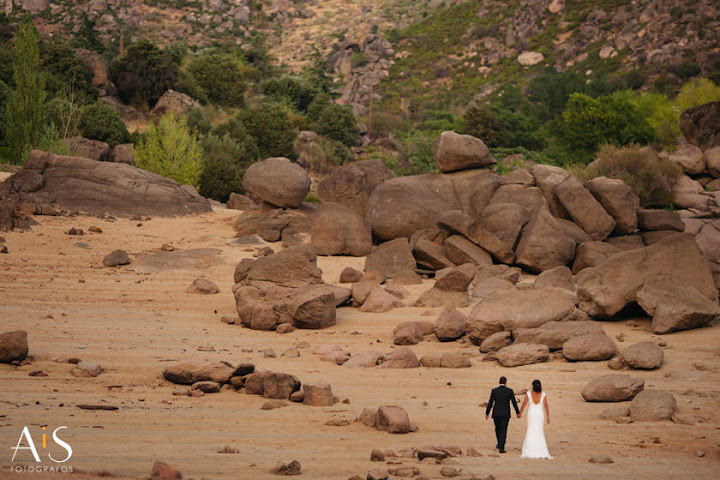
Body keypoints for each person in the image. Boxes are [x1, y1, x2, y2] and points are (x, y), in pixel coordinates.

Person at [519, 379, 553, 459]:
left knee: (531, 429)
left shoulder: (528, 394)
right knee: (539, 430)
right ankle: (541, 449)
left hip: (531, 413)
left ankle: (530, 448)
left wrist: (520, 412)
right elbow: (546, 406)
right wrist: (548, 416)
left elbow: (524, 403)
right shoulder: (543, 395)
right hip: (539, 414)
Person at [485, 376, 520, 453]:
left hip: (496, 413)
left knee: (497, 428)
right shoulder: (509, 391)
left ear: (499, 382)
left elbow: (490, 402)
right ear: (506, 382)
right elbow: (514, 402)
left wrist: (487, 413)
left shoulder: (494, 391)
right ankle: (501, 446)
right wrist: (517, 412)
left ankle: (499, 444)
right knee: (504, 429)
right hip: (505, 413)